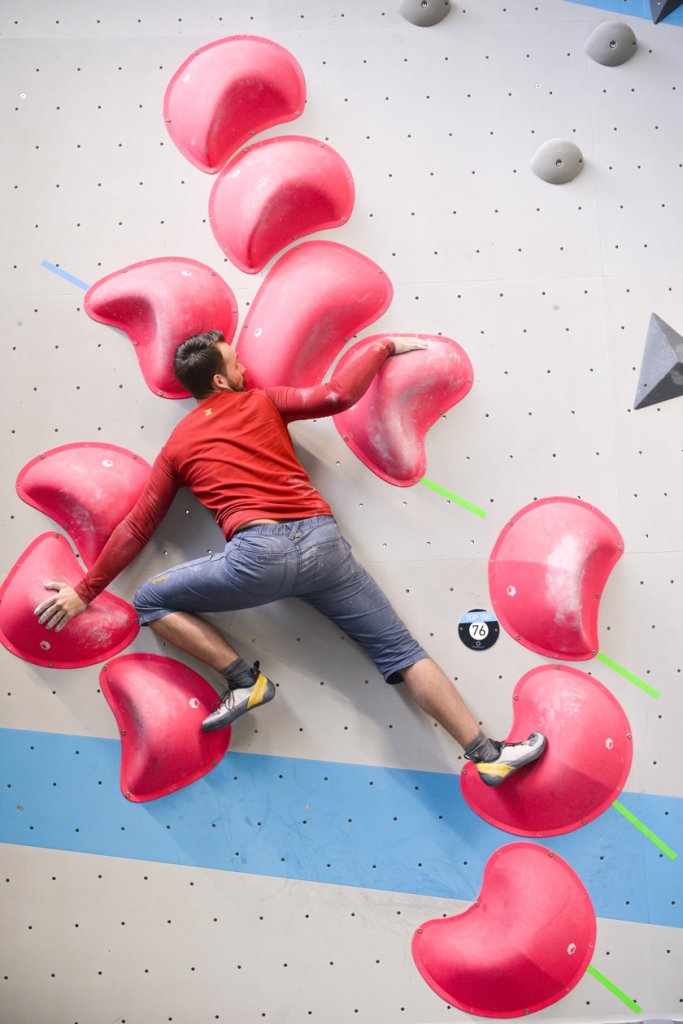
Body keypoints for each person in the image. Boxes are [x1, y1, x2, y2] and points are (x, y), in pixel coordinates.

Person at [34, 330, 546, 786]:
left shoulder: (177, 445)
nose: (244, 368)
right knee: (403, 653)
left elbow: (138, 524)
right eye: (235, 363)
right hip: (324, 545)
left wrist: (85, 592)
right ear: (219, 378)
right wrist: (382, 347)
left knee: (149, 601)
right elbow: (338, 394)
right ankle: (487, 754)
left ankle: (244, 680)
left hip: (258, 556)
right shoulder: (262, 403)